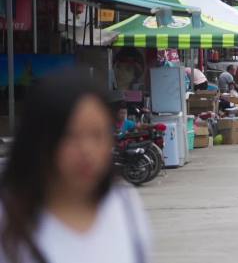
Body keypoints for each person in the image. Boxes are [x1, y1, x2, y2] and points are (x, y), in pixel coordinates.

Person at [0, 70, 151, 263]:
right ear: (39, 140)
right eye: (70, 135)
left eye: (97, 135)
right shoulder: (9, 218)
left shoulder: (124, 206)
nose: (87, 150)